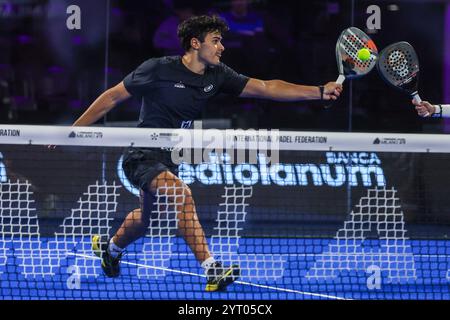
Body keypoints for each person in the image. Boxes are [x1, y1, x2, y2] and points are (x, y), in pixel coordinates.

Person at [72, 15, 343, 292]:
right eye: (215, 41)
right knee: (181, 194)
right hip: (141, 154)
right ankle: (212, 269)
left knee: (145, 219)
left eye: (221, 41)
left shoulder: (217, 75)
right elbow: (113, 97)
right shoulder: (157, 69)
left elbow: (265, 87)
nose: (221, 47)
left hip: (168, 158)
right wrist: (72, 131)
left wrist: (318, 92)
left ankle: (111, 250)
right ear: (195, 43)